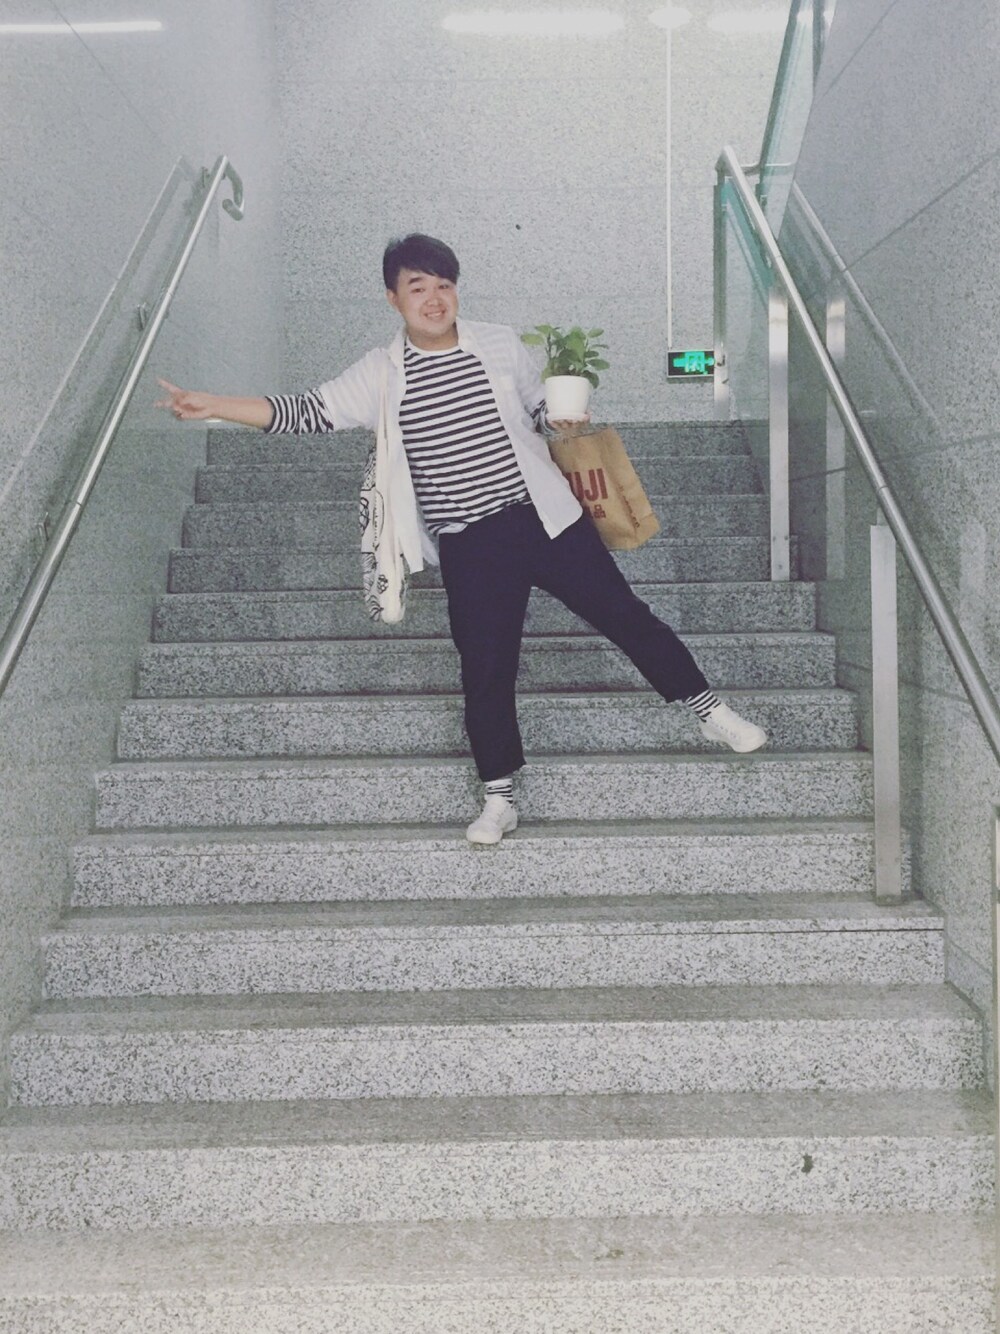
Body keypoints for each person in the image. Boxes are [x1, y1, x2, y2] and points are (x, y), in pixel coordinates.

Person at [156, 233, 767, 846]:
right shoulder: (381, 372)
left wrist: (559, 416)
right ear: (393, 298)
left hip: (544, 517)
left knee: (627, 616)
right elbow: (306, 411)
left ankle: (710, 712)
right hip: (470, 542)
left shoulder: (497, 343)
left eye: (444, 285)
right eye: (418, 287)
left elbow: (536, 409)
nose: (434, 298)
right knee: (486, 668)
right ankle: (499, 797)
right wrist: (215, 405)